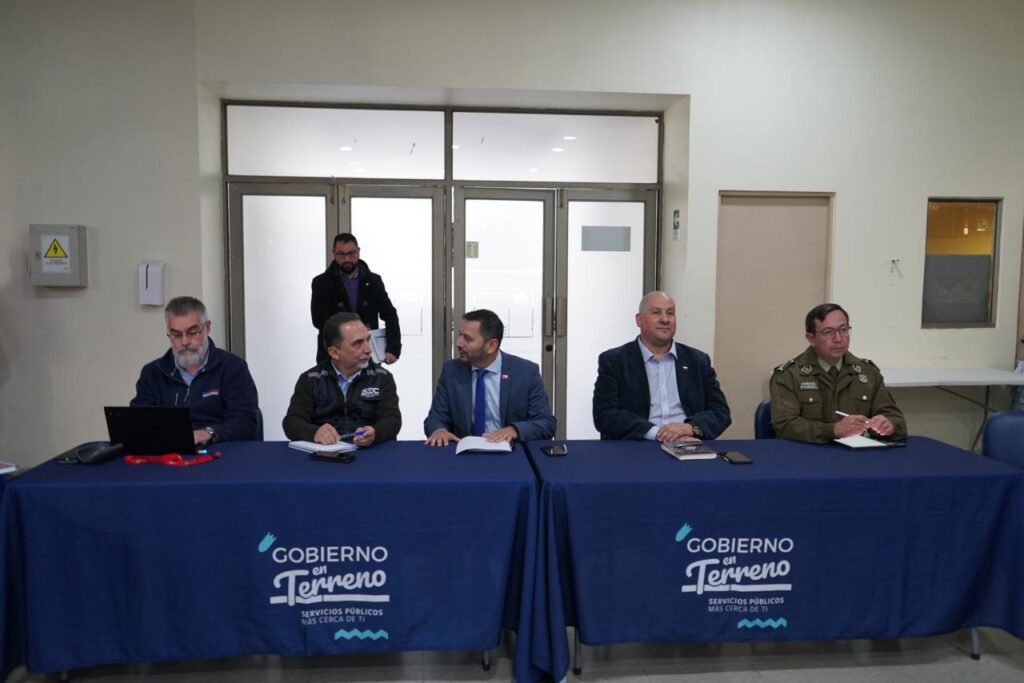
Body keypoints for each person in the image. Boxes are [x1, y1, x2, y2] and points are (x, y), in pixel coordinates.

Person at [593, 291, 731, 441]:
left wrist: (691, 428)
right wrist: (658, 433)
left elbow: (720, 412)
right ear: (639, 320)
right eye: (656, 312)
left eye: (670, 313)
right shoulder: (614, 361)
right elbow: (604, 415)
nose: (665, 319)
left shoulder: (698, 361)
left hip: (689, 443)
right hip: (638, 445)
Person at [769, 303, 907, 443]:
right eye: (828, 332)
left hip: (857, 453)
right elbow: (784, 427)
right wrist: (833, 430)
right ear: (811, 338)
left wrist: (889, 425)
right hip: (808, 453)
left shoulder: (867, 373)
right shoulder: (789, 375)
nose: (838, 339)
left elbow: (896, 420)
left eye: (843, 329)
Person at [131, 296, 260, 444]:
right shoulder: (153, 373)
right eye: (176, 334)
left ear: (207, 327)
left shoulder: (233, 367)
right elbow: (138, 423)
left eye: (192, 332)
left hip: (221, 449)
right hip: (170, 451)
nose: (184, 341)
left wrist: (209, 433)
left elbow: (245, 422)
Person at [424, 309, 555, 446]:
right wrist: (439, 430)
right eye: (460, 335)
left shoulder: (525, 372)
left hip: (510, 451)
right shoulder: (451, 370)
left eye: (467, 339)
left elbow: (546, 423)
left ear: (491, 345)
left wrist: (513, 430)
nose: (459, 343)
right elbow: (435, 418)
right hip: (465, 451)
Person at [284, 312, 401, 446]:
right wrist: (314, 432)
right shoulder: (311, 379)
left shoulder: (382, 377)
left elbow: (392, 420)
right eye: (358, 343)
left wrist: (375, 432)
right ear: (334, 352)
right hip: (326, 452)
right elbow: (292, 422)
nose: (368, 349)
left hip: (370, 451)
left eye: (367, 340)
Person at [310, 233, 401, 365]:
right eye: (341, 254)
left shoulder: (373, 281)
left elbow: (390, 314)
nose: (347, 259)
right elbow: (319, 319)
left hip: (367, 354)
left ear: (358, 251)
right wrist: (355, 329)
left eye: (351, 254)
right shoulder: (321, 283)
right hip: (334, 356)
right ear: (333, 253)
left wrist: (393, 348)